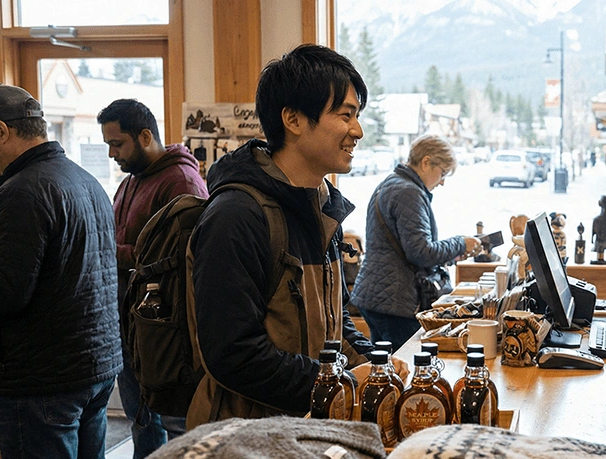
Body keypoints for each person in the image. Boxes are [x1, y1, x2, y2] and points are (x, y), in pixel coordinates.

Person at [186, 44, 402, 429]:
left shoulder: (321, 207)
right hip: (247, 439)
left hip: (309, 426)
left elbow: (337, 325)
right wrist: (342, 384)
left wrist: (379, 368)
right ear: (293, 119)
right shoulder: (237, 215)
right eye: (345, 115)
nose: (358, 131)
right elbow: (233, 355)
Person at [0, 84, 121, 459]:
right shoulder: (83, 180)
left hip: (42, 378)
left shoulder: (20, 190)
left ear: (2, 130)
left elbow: (1, 292)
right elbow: (59, 261)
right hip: (92, 364)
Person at [97, 98, 207, 459]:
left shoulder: (182, 181)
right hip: (131, 324)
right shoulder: (131, 181)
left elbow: (181, 258)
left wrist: (108, 251)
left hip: (167, 331)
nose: (113, 153)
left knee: (178, 428)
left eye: (117, 144)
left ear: (145, 136)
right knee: (142, 422)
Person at [351, 134, 482, 352]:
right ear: (426, 162)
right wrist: (460, 244)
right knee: (405, 369)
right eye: (442, 173)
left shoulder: (391, 184)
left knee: (383, 367)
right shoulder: (408, 192)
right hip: (396, 302)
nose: (442, 182)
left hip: (377, 296)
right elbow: (421, 252)